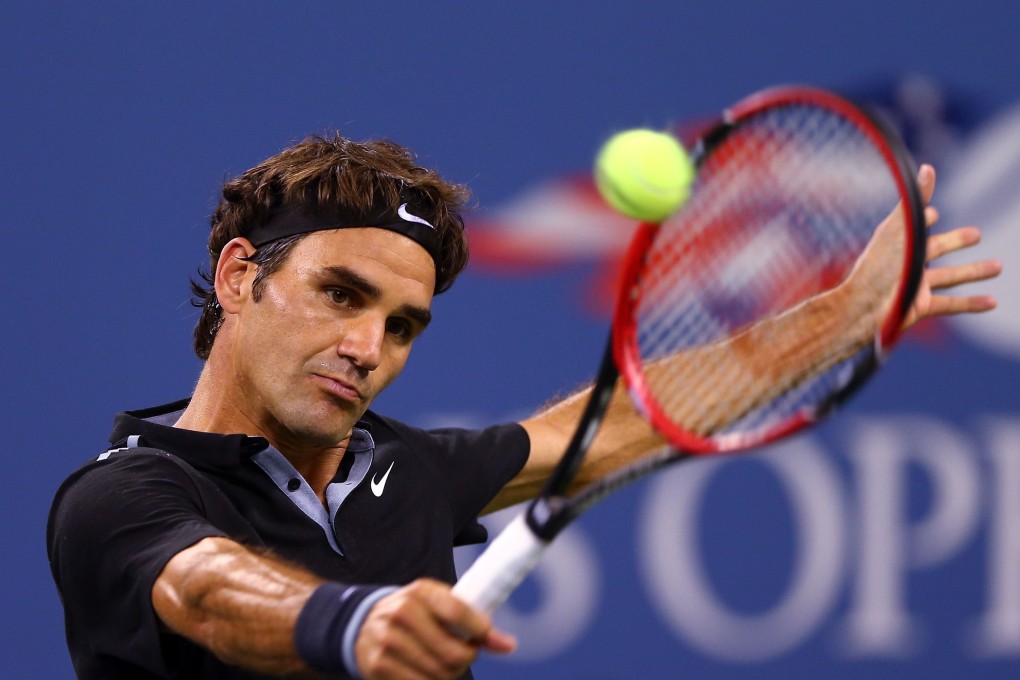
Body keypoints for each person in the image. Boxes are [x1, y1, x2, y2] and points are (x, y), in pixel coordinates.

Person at [47, 134, 1000, 680]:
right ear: (238, 276)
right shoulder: (121, 497)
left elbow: (629, 420)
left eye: (404, 324)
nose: (369, 349)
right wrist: (354, 624)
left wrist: (844, 313)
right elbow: (206, 590)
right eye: (342, 294)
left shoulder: (408, 471)